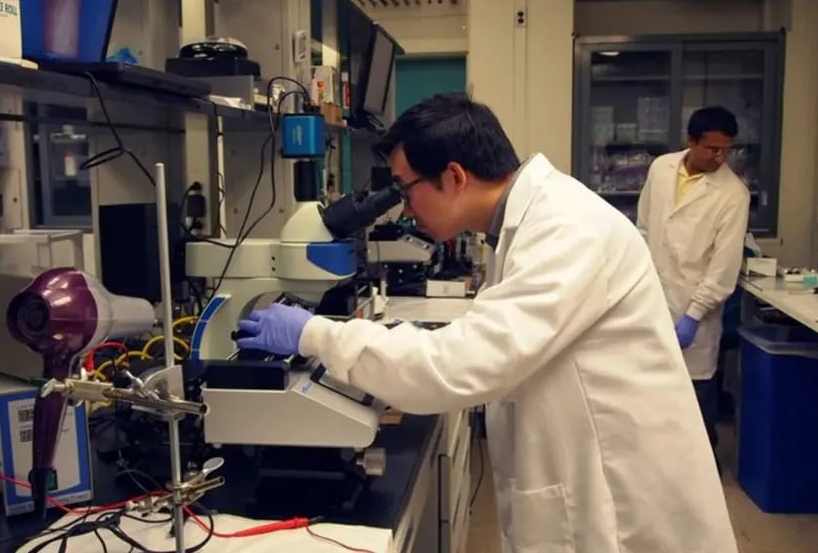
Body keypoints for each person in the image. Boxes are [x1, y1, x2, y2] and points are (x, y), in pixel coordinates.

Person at [237, 93, 737, 553]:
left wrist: (315, 333)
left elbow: (456, 366)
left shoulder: (568, 229)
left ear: (454, 177)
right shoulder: (528, 222)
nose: (406, 211)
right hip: (589, 476)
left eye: (407, 192)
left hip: (623, 506)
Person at [636, 106, 750, 458]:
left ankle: (702, 466)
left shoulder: (733, 194)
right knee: (650, 391)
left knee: (696, 397)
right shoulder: (661, 168)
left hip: (695, 313)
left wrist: (694, 316)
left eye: (727, 150)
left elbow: (724, 267)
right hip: (650, 299)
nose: (720, 157)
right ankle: (656, 464)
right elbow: (643, 227)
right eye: (713, 149)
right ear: (690, 141)